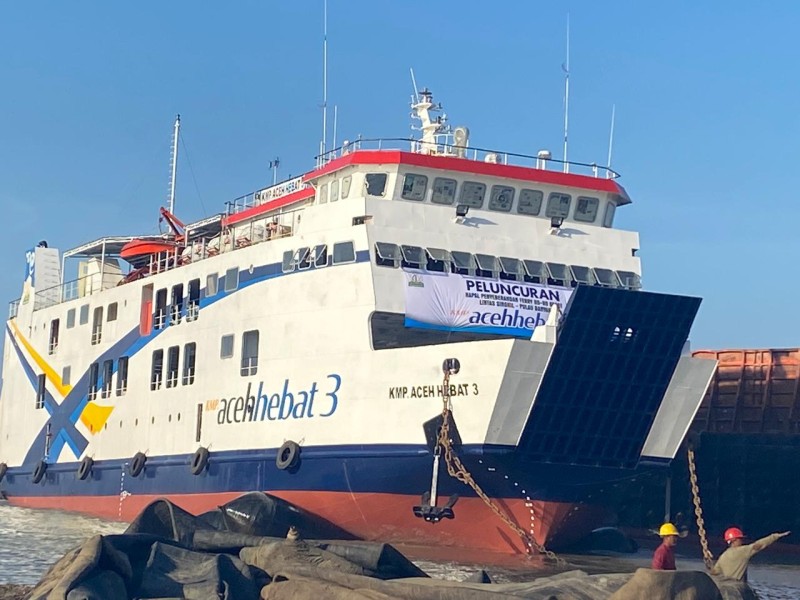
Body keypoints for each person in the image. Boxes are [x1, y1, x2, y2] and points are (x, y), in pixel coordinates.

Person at [711, 527, 790, 581]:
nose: (742, 541)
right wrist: (775, 536)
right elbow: (759, 545)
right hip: (738, 588)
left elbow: (715, 572)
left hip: (726, 588)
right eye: (740, 539)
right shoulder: (742, 551)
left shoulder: (723, 556)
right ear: (735, 540)